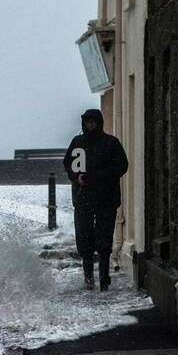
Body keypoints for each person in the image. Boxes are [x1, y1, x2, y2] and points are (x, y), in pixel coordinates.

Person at [63, 108, 127, 291]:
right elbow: (70, 166)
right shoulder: (78, 142)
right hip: (83, 199)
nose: (90, 125)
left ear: (99, 122)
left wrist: (98, 176)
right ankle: (88, 277)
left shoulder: (110, 143)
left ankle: (104, 278)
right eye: (87, 122)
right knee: (84, 239)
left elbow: (121, 166)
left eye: (93, 122)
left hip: (106, 199)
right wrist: (78, 178)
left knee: (104, 240)